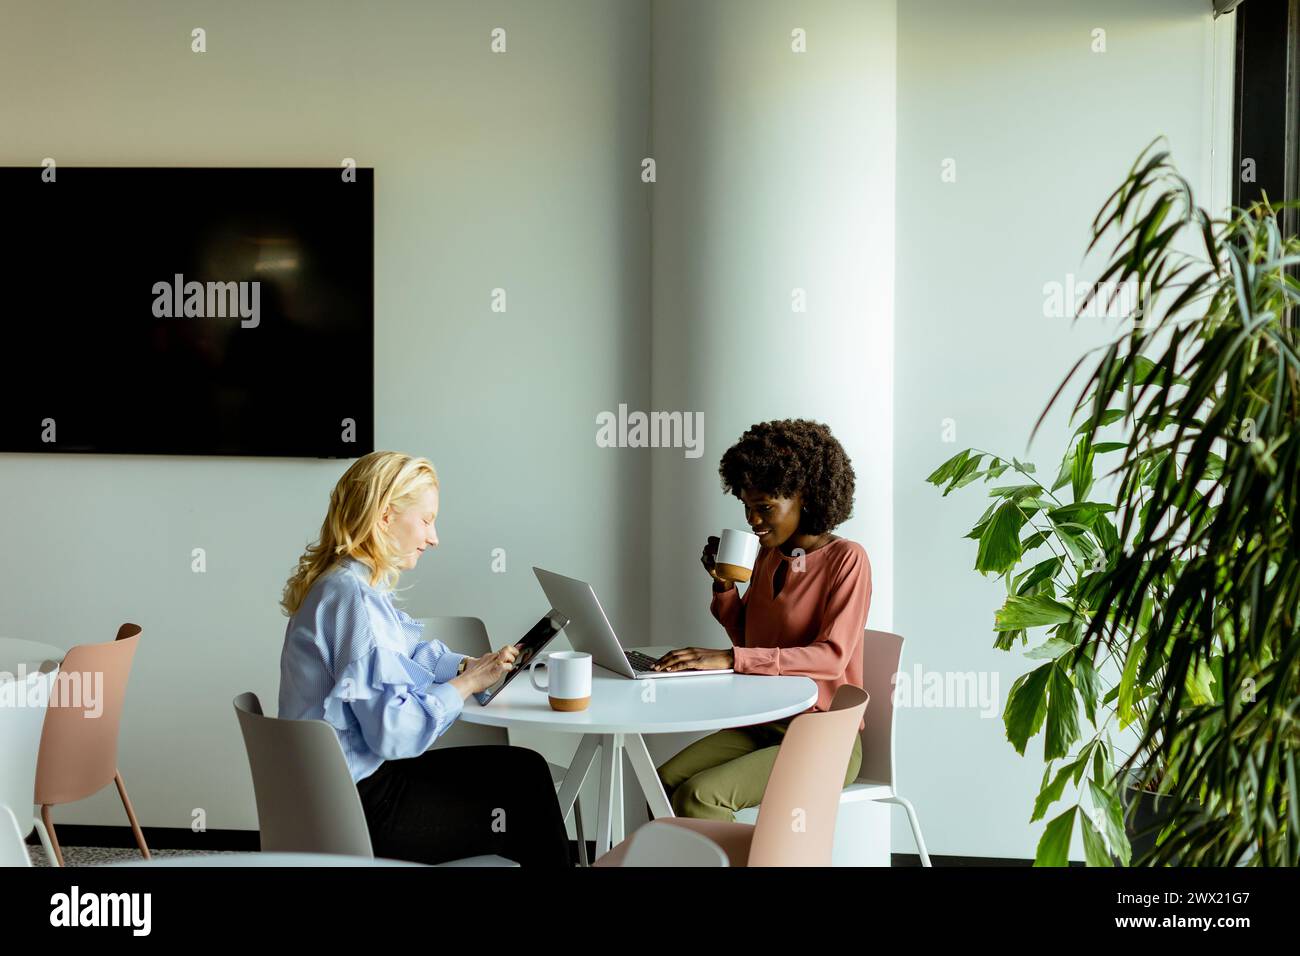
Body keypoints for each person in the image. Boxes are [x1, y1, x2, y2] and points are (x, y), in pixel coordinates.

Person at [277, 451, 571, 866]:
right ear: (383, 517)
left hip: (335, 793)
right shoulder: (356, 599)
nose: (434, 537)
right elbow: (392, 736)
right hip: (360, 810)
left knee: (522, 771)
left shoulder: (344, 585)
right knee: (524, 789)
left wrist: (467, 667)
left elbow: (403, 653)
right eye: (427, 519)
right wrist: (466, 685)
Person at [652, 419, 870, 820]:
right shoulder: (769, 556)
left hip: (823, 735)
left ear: (805, 497)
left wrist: (732, 659)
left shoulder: (847, 559)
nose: (753, 520)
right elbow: (748, 636)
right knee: (660, 784)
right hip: (763, 720)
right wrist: (723, 587)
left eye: (765, 508)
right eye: (748, 508)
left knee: (699, 797)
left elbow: (831, 657)